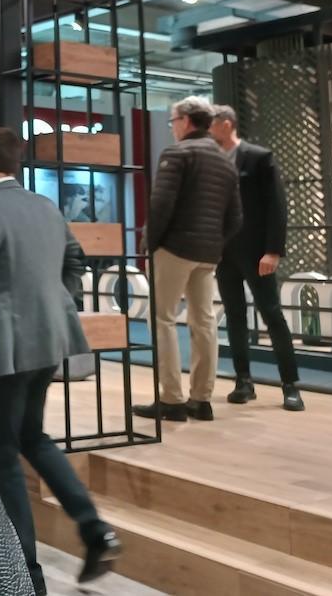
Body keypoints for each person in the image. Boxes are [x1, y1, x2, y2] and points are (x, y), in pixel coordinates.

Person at [0, 127, 118, 594]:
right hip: (48, 344)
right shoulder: (46, 207)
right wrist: (57, 306)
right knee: (32, 436)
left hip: (3, 349)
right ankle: (94, 529)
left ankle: (25, 576)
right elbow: (76, 261)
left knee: (2, 456)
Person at [135, 96, 242, 423]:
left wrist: (148, 244)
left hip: (174, 248)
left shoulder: (177, 154)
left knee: (162, 319)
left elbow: (160, 206)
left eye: (173, 121)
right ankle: (201, 399)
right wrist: (215, 243)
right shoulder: (224, 160)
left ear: (185, 121)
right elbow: (235, 217)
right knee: (204, 321)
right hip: (207, 254)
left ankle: (171, 399)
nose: (172, 128)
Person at [210, 105, 304, 412]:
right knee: (234, 317)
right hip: (224, 253)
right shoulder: (212, 160)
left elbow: (277, 206)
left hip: (256, 252)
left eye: (212, 123)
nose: (208, 129)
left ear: (227, 124)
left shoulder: (259, 157)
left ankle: (290, 385)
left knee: (272, 315)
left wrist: (273, 250)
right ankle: (243, 382)